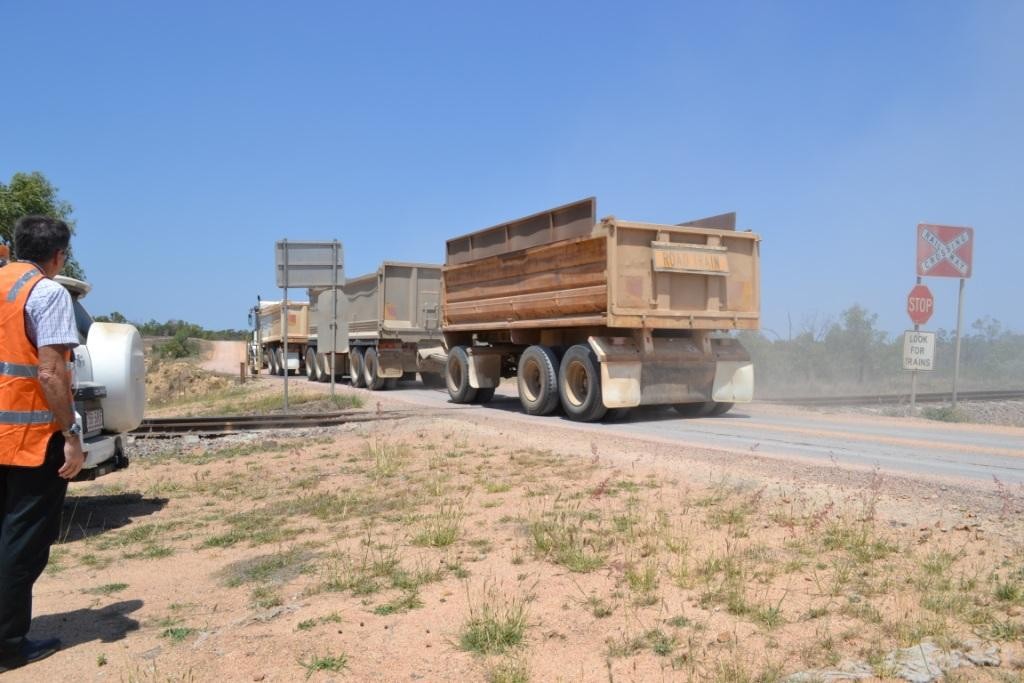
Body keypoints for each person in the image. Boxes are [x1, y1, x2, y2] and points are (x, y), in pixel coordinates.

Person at [0, 216, 85, 672]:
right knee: (22, 541)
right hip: (31, 439)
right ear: (59, 255)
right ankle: (9, 644)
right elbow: (51, 372)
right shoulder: (48, 292)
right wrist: (70, 433)